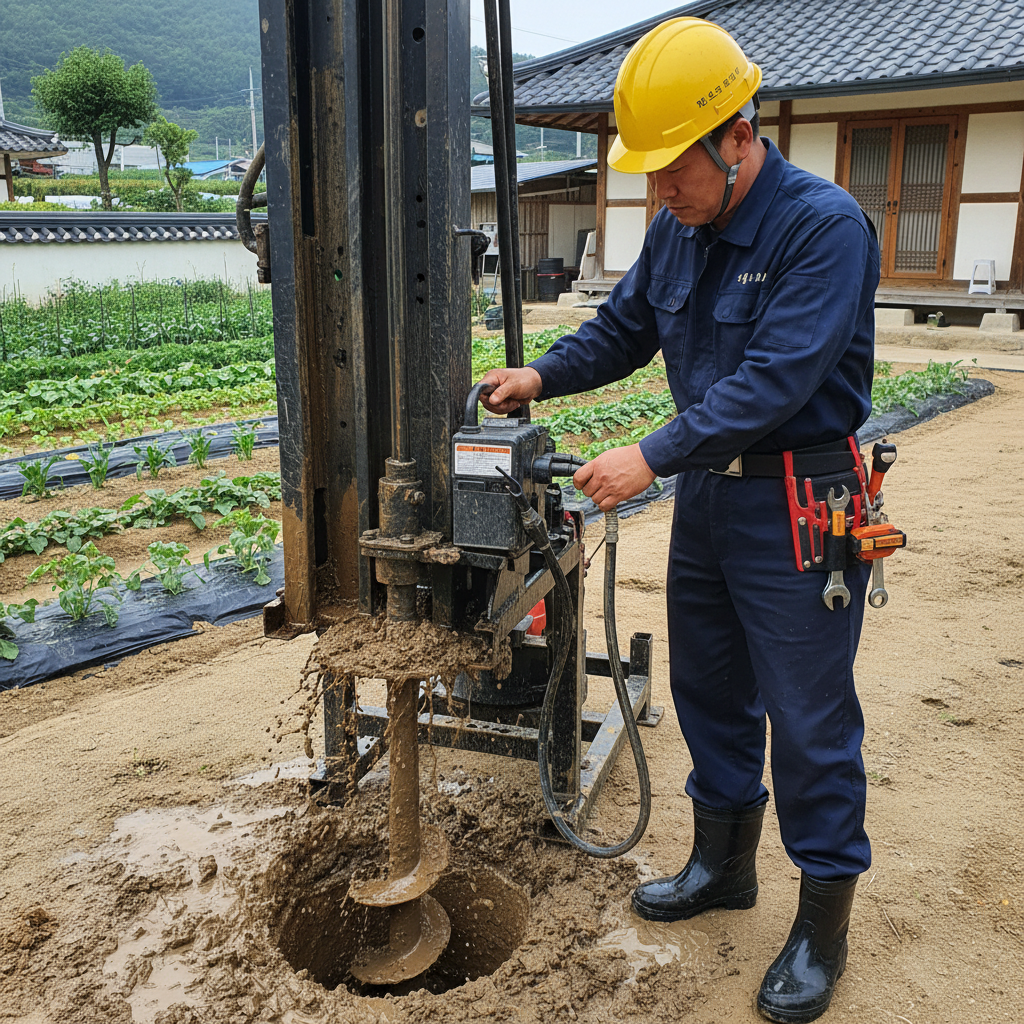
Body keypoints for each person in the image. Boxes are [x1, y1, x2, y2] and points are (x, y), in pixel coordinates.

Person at [480, 17, 880, 1024]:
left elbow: (774, 380)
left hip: (797, 497)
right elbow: (625, 327)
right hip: (712, 496)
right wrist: (541, 374)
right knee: (708, 687)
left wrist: (649, 453)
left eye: (673, 171)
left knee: (811, 716)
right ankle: (722, 866)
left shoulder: (822, 227)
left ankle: (820, 927)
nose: (659, 191)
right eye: (649, 174)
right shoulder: (677, 226)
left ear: (737, 138)